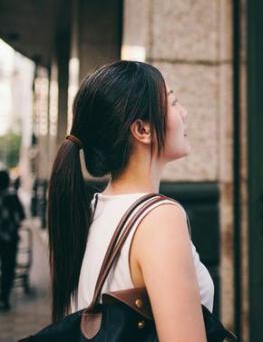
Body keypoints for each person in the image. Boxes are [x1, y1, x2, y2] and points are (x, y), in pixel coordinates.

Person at [47, 60, 212, 341]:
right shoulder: (159, 218)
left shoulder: (94, 210)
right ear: (142, 130)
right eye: (173, 103)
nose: (184, 113)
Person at [0, 168, 25, 311]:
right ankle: (4, 298)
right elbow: (21, 215)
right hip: (10, 239)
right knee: (8, 267)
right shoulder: (12, 196)